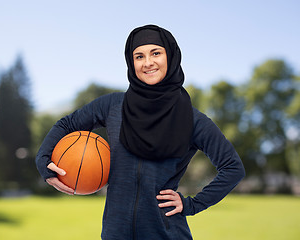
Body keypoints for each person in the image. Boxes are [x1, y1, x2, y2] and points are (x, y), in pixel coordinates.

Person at [36, 24, 245, 239]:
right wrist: (43, 162)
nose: (148, 63)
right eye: (139, 56)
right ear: (131, 62)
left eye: (156, 53)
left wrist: (190, 204)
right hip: (115, 233)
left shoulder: (193, 120)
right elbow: (66, 125)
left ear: (170, 56)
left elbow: (232, 168)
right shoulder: (112, 106)